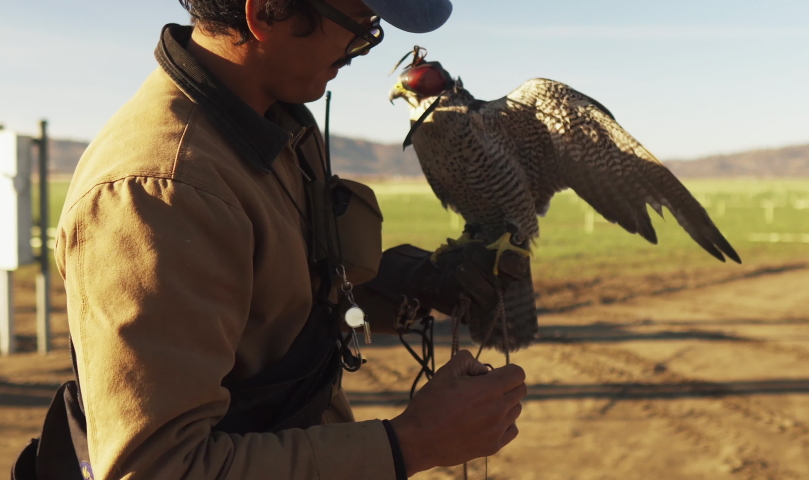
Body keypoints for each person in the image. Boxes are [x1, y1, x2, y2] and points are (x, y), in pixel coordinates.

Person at [12, 1, 529, 479]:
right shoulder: (160, 192)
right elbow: (161, 468)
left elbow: (271, 315)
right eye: (361, 25)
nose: (363, 49)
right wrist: (410, 444)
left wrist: (415, 287)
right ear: (264, 13)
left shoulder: (270, 126)